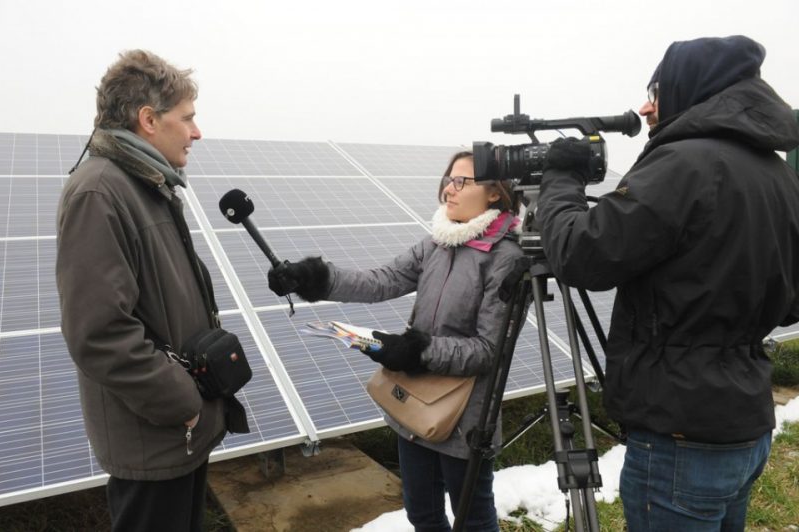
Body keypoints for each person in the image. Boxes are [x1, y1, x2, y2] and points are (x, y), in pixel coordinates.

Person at [537, 35, 799, 531]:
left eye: (656, 92)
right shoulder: (777, 173)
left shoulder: (685, 163)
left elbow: (582, 255)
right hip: (744, 422)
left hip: (681, 431)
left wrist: (561, 181)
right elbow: (790, 303)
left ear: (691, 87)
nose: (646, 108)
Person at [268, 151, 522, 531]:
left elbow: (489, 351)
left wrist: (418, 350)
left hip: (465, 414)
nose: (448, 190)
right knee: (421, 514)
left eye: (462, 182)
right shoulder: (437, 243)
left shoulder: (507, 259)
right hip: (415, 405)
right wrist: (314, 278)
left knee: (472, 519)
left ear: (494, 194)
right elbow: (380, 281)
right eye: (449, 179)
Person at [56, 50, 229, 532]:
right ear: (148, 119)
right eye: (188, 118)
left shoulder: (145, 183)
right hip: (155, 434)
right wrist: (183, 403)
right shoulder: (100, 192)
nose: (197, 132)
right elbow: (100, 333)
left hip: (176, 435)